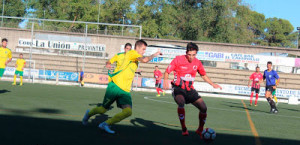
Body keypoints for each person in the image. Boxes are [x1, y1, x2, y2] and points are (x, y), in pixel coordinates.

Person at [82, 40, 161, 134]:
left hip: (125, 90)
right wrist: (154, 54)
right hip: (115, 86)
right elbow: (145, 60)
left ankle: (106, 124)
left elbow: (128, 69)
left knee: (128, 112)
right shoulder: (132, 53)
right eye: (143, 49)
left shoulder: (133, 57)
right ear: (138, 47)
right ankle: (88, 114)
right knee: (103, 109)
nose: (144, 51)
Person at [163, 42, 222, 138]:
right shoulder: (178, 59)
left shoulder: (197, 62)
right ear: (186, 52)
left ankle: (200, 130)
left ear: (196, 54)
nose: (191, 57)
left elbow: (203, 75)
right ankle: (184, 128)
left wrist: (212, 84)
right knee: (181, 102)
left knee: (204, 108)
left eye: (193, 55)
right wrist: (165, 80)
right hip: (178, 88)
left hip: (190, 90)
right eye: (189, 55)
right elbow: (167, 71)